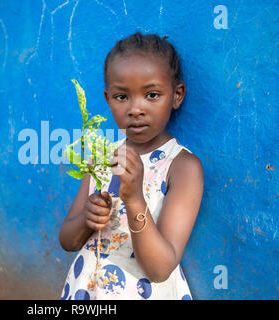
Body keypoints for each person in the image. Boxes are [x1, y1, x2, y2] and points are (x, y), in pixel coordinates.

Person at [58, 32, 204, 300]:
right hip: (88, 290)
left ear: (177, 95)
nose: (135, 109)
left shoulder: (182, 167)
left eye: (151, 94)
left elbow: (160, 268)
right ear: (107, 98)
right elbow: (67, 240)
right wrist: (86, 220)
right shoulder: (101, 160)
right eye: (122, 97)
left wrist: (135, 199)